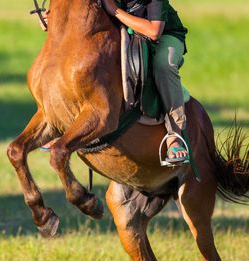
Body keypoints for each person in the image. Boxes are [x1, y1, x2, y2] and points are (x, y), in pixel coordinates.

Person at [39, 0, 189, 164]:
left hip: (164, 36)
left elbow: (154, 32)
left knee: (163, 64)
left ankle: (175, 134)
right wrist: (56, 19)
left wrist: (115, 10)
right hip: (124, 29)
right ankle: (68, 128)